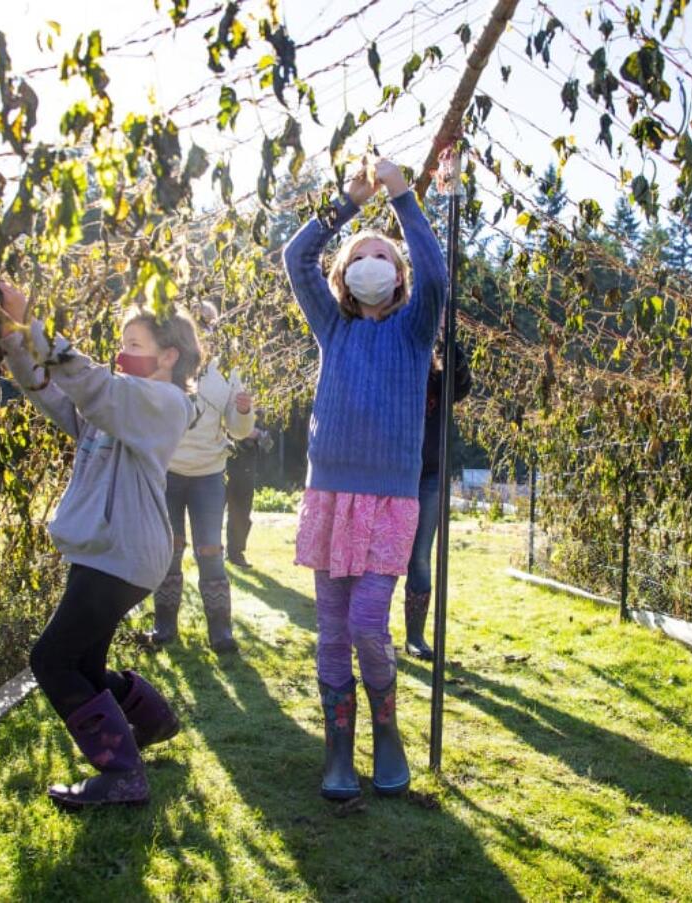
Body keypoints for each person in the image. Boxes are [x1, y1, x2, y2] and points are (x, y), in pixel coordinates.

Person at [0, 282, 200, 808]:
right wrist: (18, 343)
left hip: (122, 550)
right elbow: (55, 394)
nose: (122, 351)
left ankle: (123, 774)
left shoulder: (164, 402)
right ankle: (152, 721)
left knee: (50, 659)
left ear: (168, 356)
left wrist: (33, 323)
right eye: (122, 340)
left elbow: (96, 387)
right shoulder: (115, 406)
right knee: (82, 664)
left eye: (134, 343)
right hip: (105, 548)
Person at [282, 156, 446, 800]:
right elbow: (297, 259)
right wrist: (346, 205)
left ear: (398, 276)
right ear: (345, 278)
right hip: (330, 495)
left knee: (368, 623)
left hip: (389, 499)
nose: (369, 263)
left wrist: (402, 195)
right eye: (358, 257)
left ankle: (388, 732)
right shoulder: (335, 328)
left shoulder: (413, 330)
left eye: (382, 256)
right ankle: (339, 752)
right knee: (330, 629)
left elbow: (435, 270)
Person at [148, 301, 254, 653]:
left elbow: (238, 431)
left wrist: (243, 410)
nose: (206, 330)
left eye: (211, 324)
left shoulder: (226, 370)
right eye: (199, 323)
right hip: (168, 471)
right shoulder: (166, 361)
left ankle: (220, 632)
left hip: (209, 474)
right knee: (170, 549)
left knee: (211, 549)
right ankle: (164, 626)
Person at [403, 343, 472, 660]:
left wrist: (449, 345)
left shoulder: (440, 370)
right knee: (380, 553)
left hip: (430, 474)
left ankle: (415, 636)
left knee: (419, 556)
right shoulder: (398, 360)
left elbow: (461, 387)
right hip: (394, 473)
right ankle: (369, 630)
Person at [226, 414, 273, 568]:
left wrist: (258, 434)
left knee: (241, 514)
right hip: (221, 464)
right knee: (211, 512)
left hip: (246, 469)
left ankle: (235, 554)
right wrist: (241, 432)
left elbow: (269, 444)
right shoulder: (224, 403)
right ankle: (206, 552)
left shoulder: (260, 413)